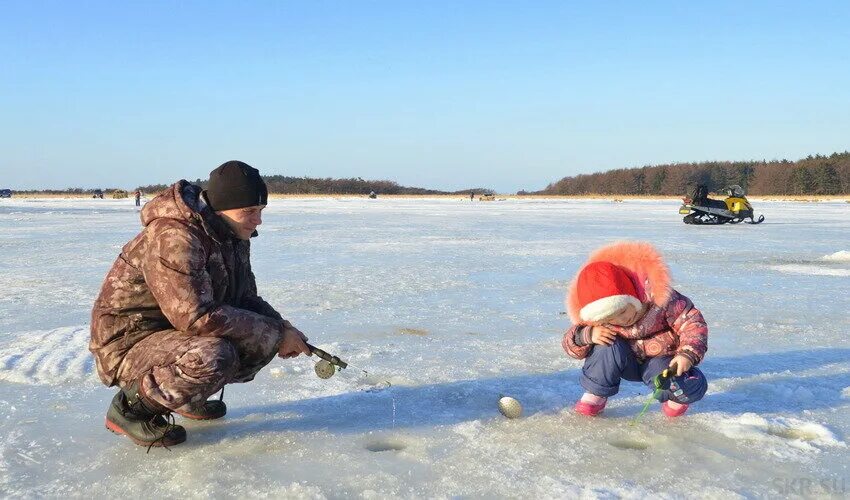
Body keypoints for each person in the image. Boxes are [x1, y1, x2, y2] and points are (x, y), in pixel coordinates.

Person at [90, 160, 311, 448]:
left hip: (169, 335)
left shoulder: (231, 233)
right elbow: (195, 316)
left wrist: (282, 327)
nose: (258, 221)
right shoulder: (175, 236)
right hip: (128, 342)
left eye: (260, 211)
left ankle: (185, 397)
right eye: (250, 212)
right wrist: (275, 334)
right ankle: (131, 408)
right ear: (221, 208)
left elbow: (244, 298)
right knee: (215, 355)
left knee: (252, 337)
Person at [562, 241, 708, 417]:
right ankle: (596, 393)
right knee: (605, 345)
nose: (622, 320)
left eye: (623, 311)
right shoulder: (596, 317)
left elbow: (692, 323)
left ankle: (676, 397)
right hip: (624, 361)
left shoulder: (662, 300)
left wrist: (687, 354)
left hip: (660, 359)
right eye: (610, 319)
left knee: (672, 380)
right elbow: (570, 341)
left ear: (631, 296)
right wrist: (587, 335)